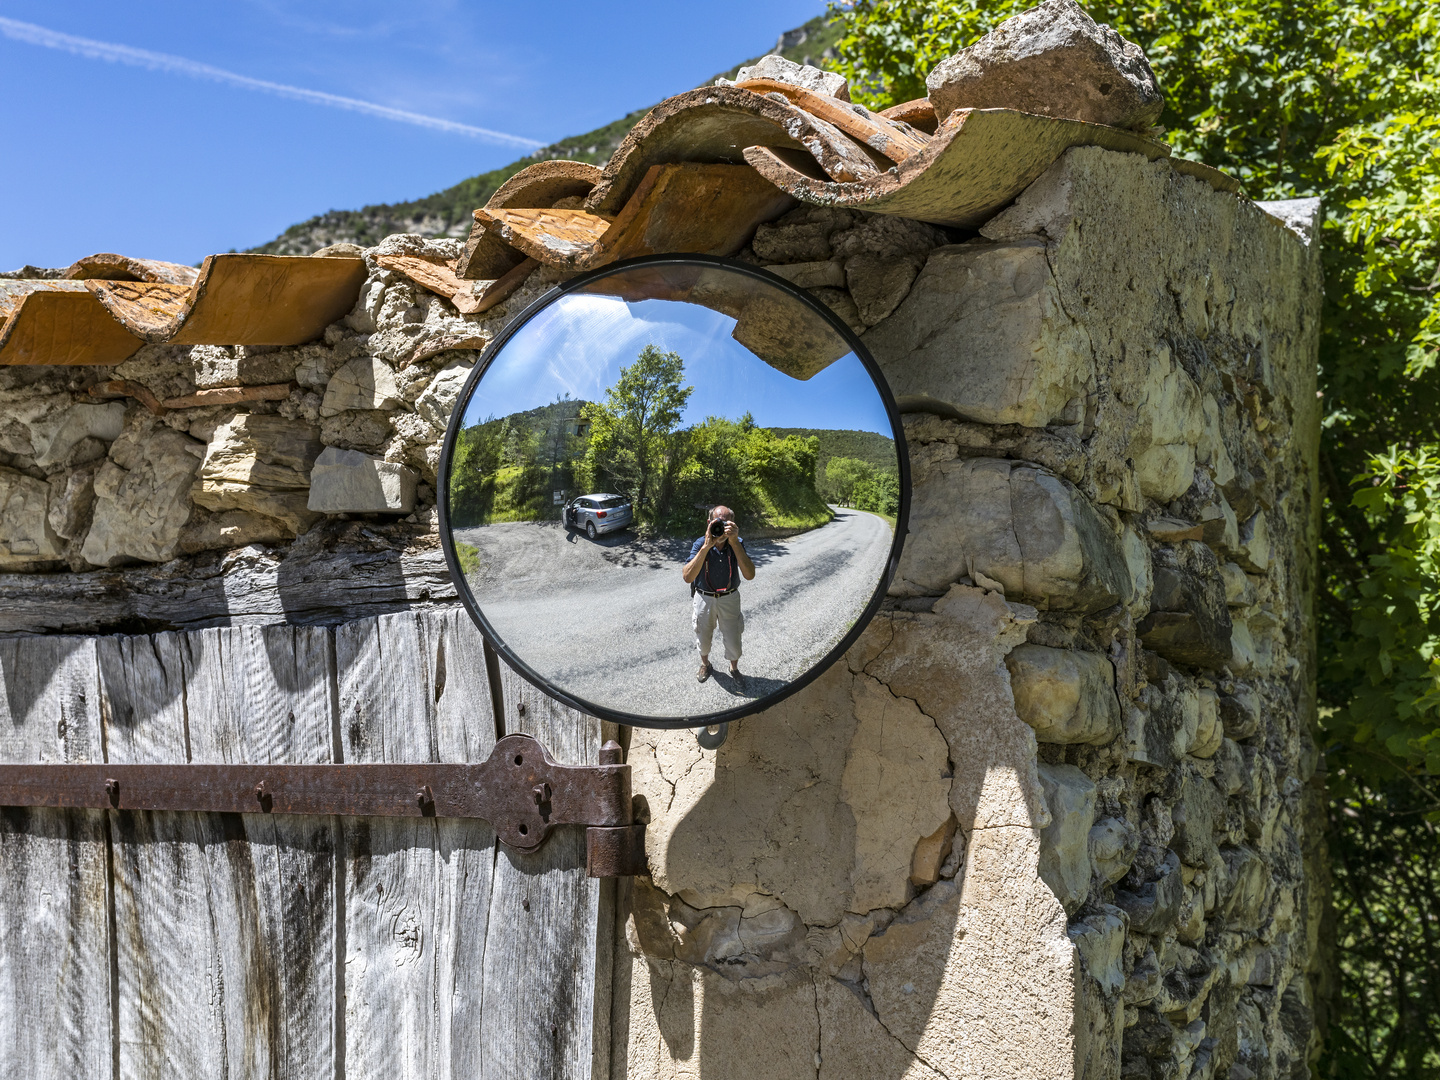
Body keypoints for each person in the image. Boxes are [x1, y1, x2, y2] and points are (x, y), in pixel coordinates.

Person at [681, 505, 755, 683]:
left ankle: (734, 668)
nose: (721, 527)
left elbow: (749, 575)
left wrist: (735, 542)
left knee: (733, 636)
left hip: (729, 597)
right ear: (709, 523)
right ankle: (706, 664)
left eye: (726, 522)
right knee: (703, 636)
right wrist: (707, 547)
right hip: (704, 598)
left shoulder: (737, 542)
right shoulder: (700, 543)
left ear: (733, 524)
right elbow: (687, 576)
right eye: (718, 522)